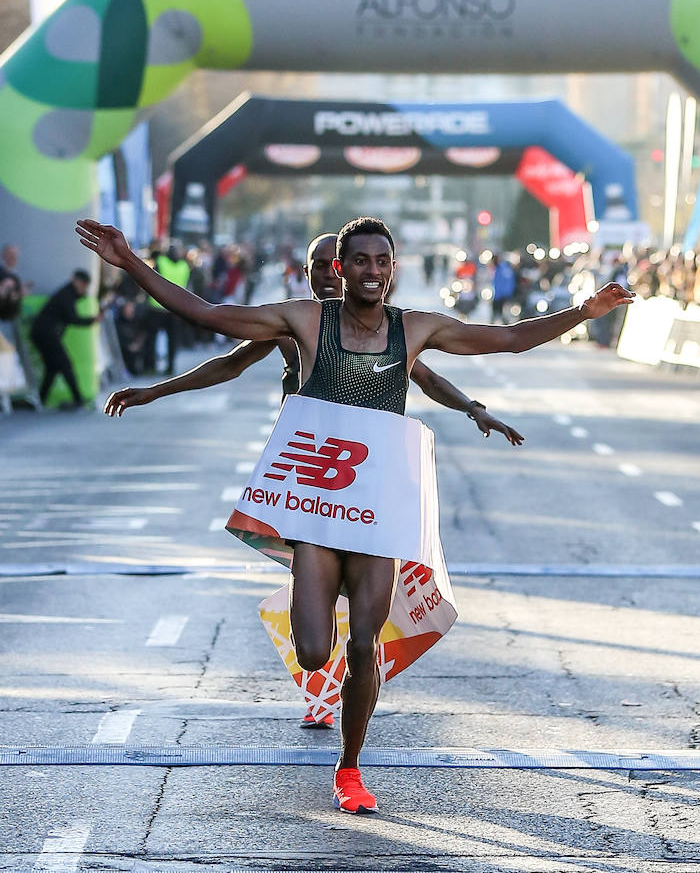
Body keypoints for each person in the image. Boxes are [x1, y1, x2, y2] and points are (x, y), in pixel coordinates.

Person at [76, 215, 633, 814]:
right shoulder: (304, 321)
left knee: (365, 642)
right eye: (360, 261)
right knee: (316, 652)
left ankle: (350, 768)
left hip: (379, 505)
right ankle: (322, 622)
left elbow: (507, 338)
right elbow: (210, 316)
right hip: (318, 503)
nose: (373, 271)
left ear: (394, 269)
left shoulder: (413, 330)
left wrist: (584, 312)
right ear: (340, 270)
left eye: (382, 262)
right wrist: (130, 263)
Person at [104, 233, 524, 730]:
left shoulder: (390, 331)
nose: (329, 273)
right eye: (322, 265)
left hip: (371, 488)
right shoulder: (295, 323)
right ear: (315, 272)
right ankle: (321, 620)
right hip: (311, 484)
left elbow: (426, 376)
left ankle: (352, 710)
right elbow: (225, 355)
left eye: (340, 264)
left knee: (363, 629)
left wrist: (474, 408)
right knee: (314, 635)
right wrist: (156, 389)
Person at [30, 269, 101, 408]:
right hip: (46, 334)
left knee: (52, 368)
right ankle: (78, 398)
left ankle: (40, 399)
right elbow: (73, 318)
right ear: (77, 281)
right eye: (84, 284)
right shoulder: (66, 295)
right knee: (65, 365)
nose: (84, 288)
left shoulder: (70, 293)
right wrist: (93, 320)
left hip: (44, 333)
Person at [144, 242, 190, 374]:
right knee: (172, 339)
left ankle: (151, 366)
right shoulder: (184, 266)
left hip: (156, 307)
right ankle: (170, 367)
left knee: (152, 339)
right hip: (175, 308)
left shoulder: (160, 261)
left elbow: (151, 281)